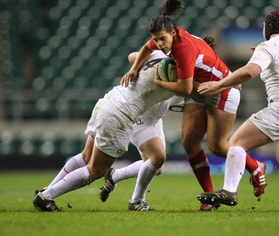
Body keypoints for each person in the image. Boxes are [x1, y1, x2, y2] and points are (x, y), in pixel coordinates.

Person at [121, 0, 266, 211]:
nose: (159, 44)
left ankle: (255, 166)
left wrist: (159, 81)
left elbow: (185, 88)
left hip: (222, 89)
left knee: (217, 146)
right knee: (190, 143)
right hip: (199, 88)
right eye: (157, 39)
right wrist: (134, 69)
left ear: (172, 33)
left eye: (162, 39)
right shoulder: (167, 35)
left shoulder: (183, 48)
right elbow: (146, 48)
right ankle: (209, 199)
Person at [197, 7, 279, 212]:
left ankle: (229, 191)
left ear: (268, 27)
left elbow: (250, 72)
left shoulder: (268, 45)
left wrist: (219, 85)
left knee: (236, 143)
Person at [33, 50, 180, 212]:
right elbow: (188, 89)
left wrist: (136, 67)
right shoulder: (182, 73)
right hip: (120, 114)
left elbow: (132, 56)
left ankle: (46, 190)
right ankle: (46, 197)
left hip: (110, 100)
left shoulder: (160, 54)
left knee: (86, 156)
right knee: (96, 169)